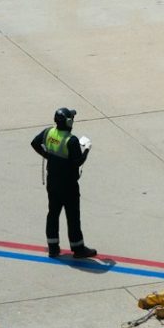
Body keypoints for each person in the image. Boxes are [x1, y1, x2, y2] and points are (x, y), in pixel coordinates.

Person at [30, 108, 97, 259]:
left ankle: (53, 248)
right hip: (68, 185)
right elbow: (77, 162)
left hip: (52, 182)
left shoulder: (48, 132)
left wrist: (46, 154)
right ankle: (78, 248)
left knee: (53, 214)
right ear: (68, 122)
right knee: (73, 216)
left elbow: (34, 143)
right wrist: (87, 149)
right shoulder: (71, 140)